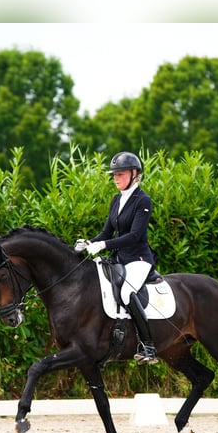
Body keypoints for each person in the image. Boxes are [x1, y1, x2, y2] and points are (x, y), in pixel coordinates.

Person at [74, 151, 159, 365]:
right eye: (114, 175)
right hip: (119, 259)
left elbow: (135, 236)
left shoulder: (143, 200)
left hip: (138, 259)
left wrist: (103, 245)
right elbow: (106, 233)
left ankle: (148, 346)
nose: (116, 179)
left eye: (120, 174)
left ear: (134, 174)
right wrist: (90, 242)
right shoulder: (116, 200)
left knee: (128, 292)